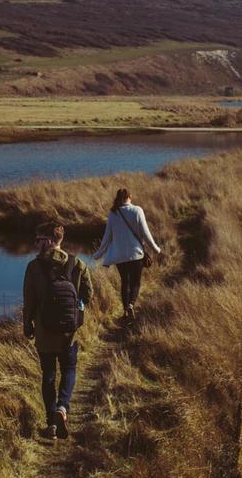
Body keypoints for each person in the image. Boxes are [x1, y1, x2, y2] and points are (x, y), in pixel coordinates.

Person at [23, 221, 92, 441]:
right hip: (70, 334)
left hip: (44, 333)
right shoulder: (77, 264)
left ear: (50, 241)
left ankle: (51, 423)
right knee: (69, 369)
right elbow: (88, 295)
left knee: (49, 376)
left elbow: (29, 301)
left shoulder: (34, 268)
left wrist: (28, 325)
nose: (36, 244)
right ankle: (63, 407)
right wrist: (76, 307)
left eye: (39, 240)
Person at [94, 188, 161, 322]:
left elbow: (107, 237)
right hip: (136, 255)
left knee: (125, 282)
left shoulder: (113, 213)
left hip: (119, 256)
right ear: (130, 196)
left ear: (118, 198)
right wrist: (156, 248)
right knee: (136, 282)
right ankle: (131, 305)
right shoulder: (137, 210)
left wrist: (98, 254)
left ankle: (125, 312)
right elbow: (146, 233)